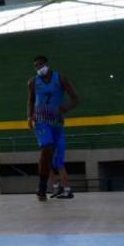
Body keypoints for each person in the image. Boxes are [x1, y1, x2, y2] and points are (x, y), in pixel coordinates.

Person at [28, 55, 80, 201]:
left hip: (57, 121)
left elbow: (76, 99)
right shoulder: (33, 82)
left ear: (47, 64)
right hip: (41, 120)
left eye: (40, 64)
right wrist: (29, 116)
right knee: (47, 147)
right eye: (36, 66)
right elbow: (30, 101)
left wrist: (66, 108)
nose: (39, 68)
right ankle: (42, 186)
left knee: (53, 157)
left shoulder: (60, 78)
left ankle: (58, 187)